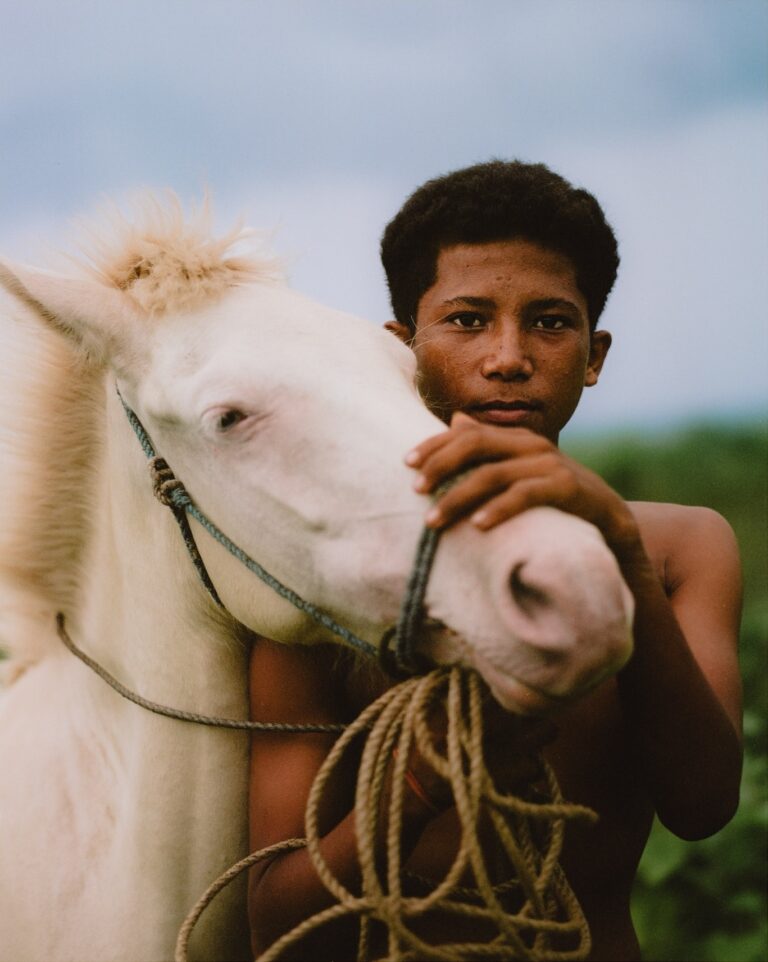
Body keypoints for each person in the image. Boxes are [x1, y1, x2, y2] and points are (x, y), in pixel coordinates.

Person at [246, 160, 743, 961]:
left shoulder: (677, 549)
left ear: (594, 353)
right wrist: (420, 785)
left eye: (549, 322)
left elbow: (703, 804)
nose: (508, 357)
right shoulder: (323, 580)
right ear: (402, 351)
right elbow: (278, 927)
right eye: (468, 320)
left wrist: (616, 548)